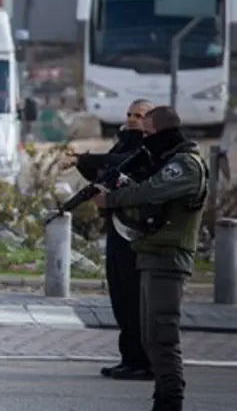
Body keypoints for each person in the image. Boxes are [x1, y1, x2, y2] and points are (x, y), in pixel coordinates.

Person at [94, 106, 208, 411]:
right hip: (151, 256)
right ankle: (163, 396)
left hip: (169, 260)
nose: (143, 140)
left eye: (147, 134)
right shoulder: (164, 160)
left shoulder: (185, 165)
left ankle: (170, 401)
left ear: (165, 133)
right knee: (149, 337)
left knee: (163, 337)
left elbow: (151, 191)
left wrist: (113, 199)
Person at [64, 98, 154, 381]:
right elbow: (105, 173)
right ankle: (129, 359)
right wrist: (83, 164)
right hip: (117, 227)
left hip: (137, 232)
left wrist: (87, 158)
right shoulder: (125, 142)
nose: (132, 119)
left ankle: (144, 361)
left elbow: (122, 166)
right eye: (129, 114)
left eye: (138, 115)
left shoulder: (150, 149)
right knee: (120, 297)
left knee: (135, 299)